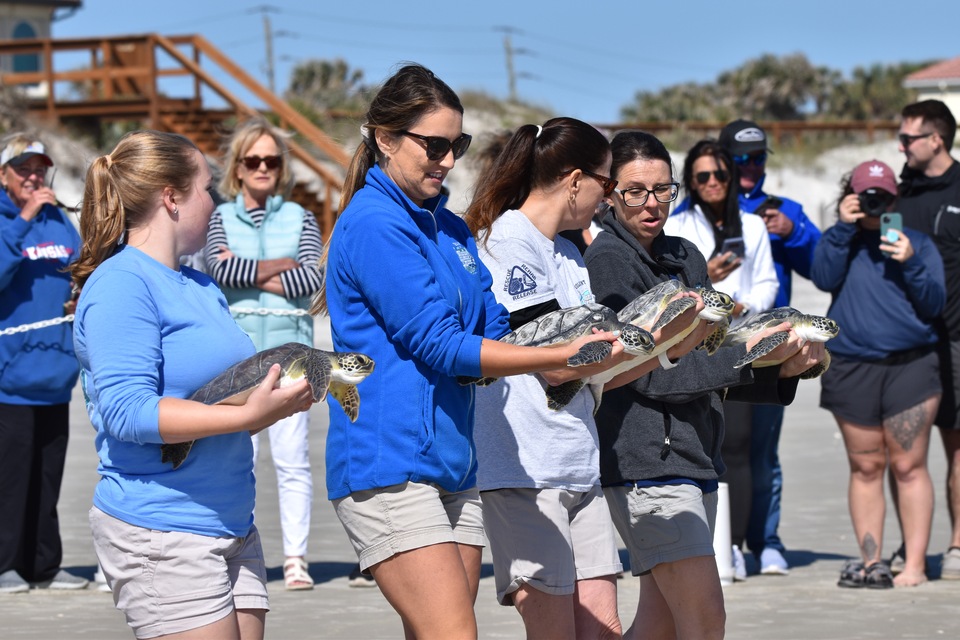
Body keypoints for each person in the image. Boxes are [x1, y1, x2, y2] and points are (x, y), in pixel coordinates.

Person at [314, 64, 626, 639]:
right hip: (390, 464)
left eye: (456, 145)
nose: (448, 161)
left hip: (455, 462)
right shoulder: (375, 223)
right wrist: (551, 360)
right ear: (384, 138)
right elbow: (440, 344)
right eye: (433, 145)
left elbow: (496, 323)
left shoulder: (451, 229)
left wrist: (583, 357)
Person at [464, 118, 703, 639]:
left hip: (579, 463)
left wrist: (668, 347)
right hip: (524, 470)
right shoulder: (507, 244)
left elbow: (597, 376)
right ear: (577, 180)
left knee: (604, 628)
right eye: (608, 184)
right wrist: (648, 333)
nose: (609, 197)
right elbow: (553, 363)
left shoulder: (569, 256)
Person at [72, 130, 314, 639]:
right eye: (207, 189)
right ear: (171, 197)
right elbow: (127, 411)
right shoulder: (121, 283)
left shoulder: (201, 285)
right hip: (163, 528)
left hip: (231, 522)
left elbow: (220, 392)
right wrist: (250, 417)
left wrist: (280, 394)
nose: (215, 201)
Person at [584, 130, 823, 639]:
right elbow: (646, 370)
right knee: (705, 619)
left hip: (696, 456)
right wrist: (750, 359)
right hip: (646, 462)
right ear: (609, 194)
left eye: (662, 189)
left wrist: (780, 369)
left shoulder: (687, 254)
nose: (652, 203)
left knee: (661, 624)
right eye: (635, 191)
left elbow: (708, 358)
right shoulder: (607, 258)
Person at [812, 159, 944, 588]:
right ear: (850, 197)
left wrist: (909, 260)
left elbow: (934, 304)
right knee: (865, 467)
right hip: (852, 366)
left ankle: (915, 565)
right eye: (864, 195)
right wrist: (843, 228)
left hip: (912, 365)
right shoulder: (841, 239)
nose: (872, 203)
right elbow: (822, 275)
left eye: (880, 196)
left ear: (895, 199)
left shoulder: (917, 242)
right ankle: (871, 563)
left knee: (909, 465)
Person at [204, 117, 323, 591]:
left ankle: (296, 559)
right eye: (253, 160)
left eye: (271, 160)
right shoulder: (220, 216)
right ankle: (236, 546)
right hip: (240, 359)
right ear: (237, 166)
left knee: (293, 459)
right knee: (239, 455)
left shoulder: (302, 218)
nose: (262, 168)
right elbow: (218, 270)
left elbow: (309, 280)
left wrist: (248, 270)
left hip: (293, 354)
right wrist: (277, 267)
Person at [664, 138, 779, 580]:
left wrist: (741, 305)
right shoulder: (680, 226)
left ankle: (737, 546)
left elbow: (768, 282)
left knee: (743, 446)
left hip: (742, 337)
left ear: (731, 179)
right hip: (696, 341)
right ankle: (710, 542)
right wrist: (711, 280)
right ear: (691, 183)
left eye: (720, 176)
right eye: (702, 177)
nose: (713, 183)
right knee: (706, 441)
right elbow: (678, 286)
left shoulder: (752, 225)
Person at [717, 119, 822, 576]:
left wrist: (794, 231)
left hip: (775, 348)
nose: (749, 167)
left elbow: (825, 270)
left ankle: (768, 540)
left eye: (758, 158)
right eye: (740, 159)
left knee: (764, 451)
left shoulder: (787, 210)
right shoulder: (706, 206)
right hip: (719, 345)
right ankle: (729, 544)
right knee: (726, 447)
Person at [0, 134, 88, 594]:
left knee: (47, 476)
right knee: (10, 479)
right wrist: (23, 218)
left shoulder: (59, 220)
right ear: (3, 175)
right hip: (8, 379)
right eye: (23, 169)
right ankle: (3, 566)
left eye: (40, 168)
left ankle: (44, 566)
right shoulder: (7, 220)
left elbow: (78, 270)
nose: (34, 177)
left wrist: (78, 298)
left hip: (54, 375)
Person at [895, 99, 960, 580]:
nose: (901, 145)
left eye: (908, 138)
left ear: (936, 139)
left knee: (957, 446)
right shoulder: (897, 191)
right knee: (904, 450)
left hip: (956, 338)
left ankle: (958, 544)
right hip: (907, 342)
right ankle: (910, 544)